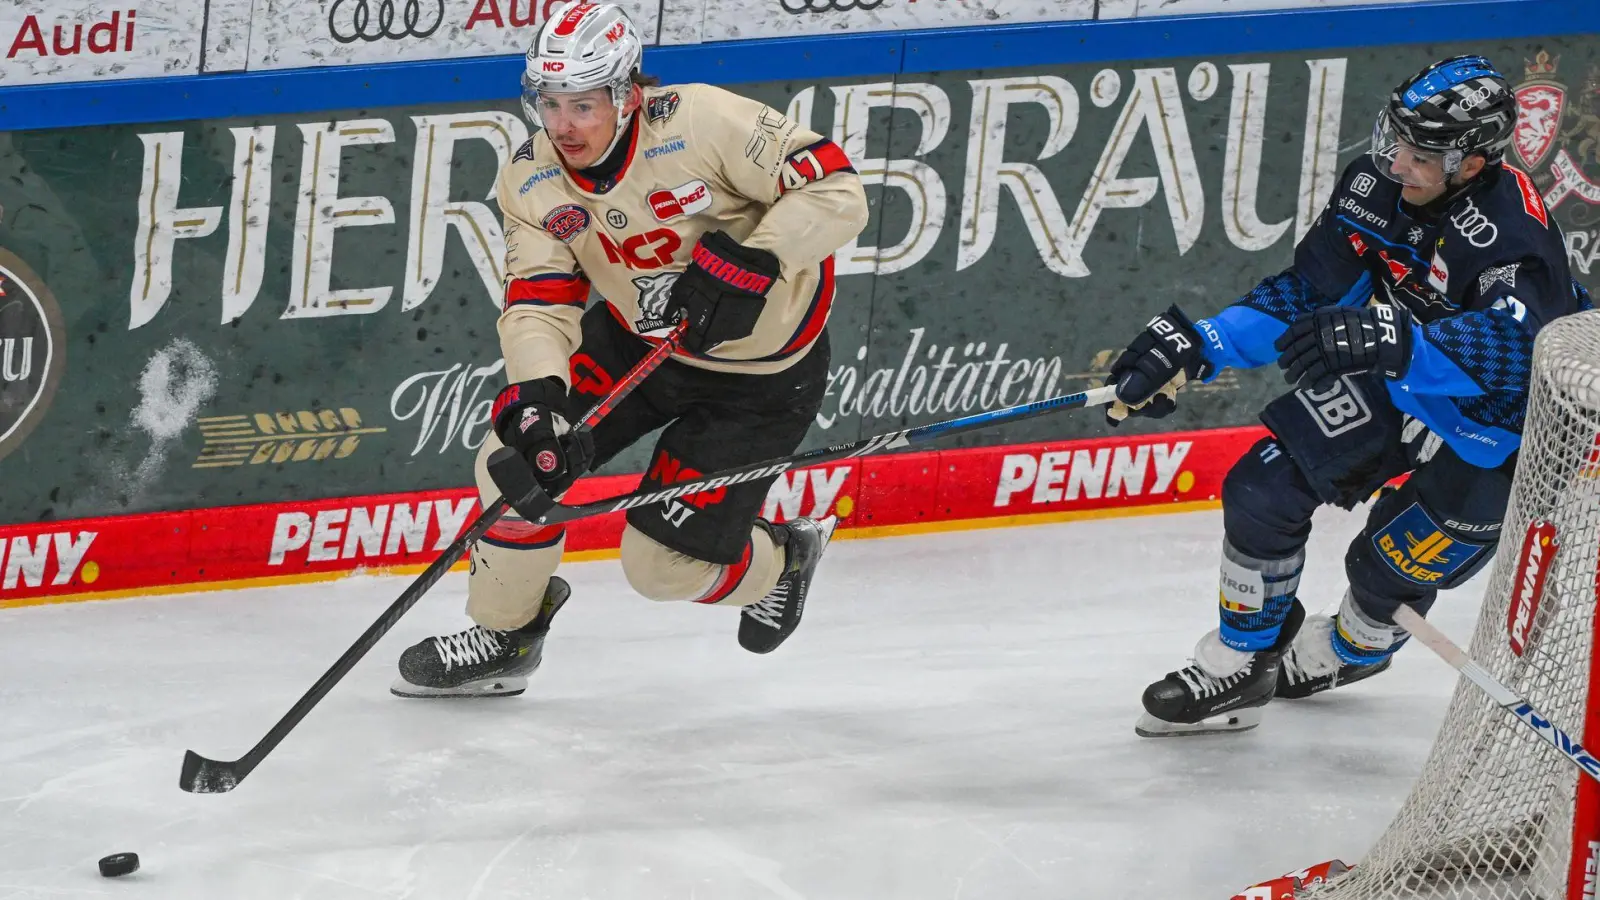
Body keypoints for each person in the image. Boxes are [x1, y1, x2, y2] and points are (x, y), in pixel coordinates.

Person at [1103, 55, 1594, 736]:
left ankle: (1354, 651)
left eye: (1420, 155)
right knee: (1261, 489)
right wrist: (1204, 343)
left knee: (1385, 566)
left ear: (1471, 164)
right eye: (1393, 138)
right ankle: (1242, 664)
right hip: (1404, 379)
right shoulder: (1378, 184)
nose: (1396, 162)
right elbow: (1309, 291)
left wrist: (1399, 343)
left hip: (1504, 431)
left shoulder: (1512, 232)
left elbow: (1521, 354)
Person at [391, 1, 869, 698]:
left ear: (625, 92)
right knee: (516, 466)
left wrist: (757, 258)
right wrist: (537, 395)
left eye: (582, 105)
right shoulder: (531, 178)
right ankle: (506, 636)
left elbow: (837, 189)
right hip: (637, 346)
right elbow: (540, 299)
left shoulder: (701, 120)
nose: (563, 125)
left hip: (760, 381)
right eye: (548, 104)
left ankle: (783, 561)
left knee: (659, 570)